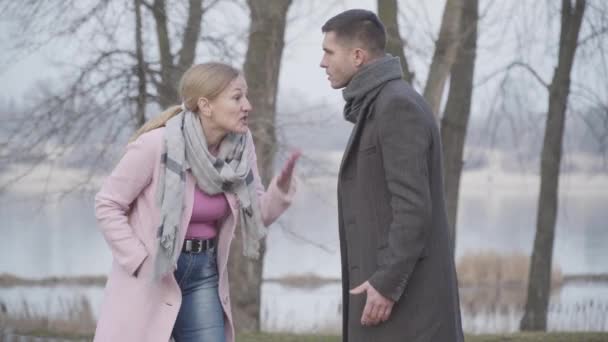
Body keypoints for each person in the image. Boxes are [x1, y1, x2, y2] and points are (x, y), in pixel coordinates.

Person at [93, 62, 299, 342]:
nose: (247, 105)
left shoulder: (240, 146)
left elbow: (257, 213)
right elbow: (107, 204)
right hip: (152, 273)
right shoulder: (157, 144)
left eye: (246, 97)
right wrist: (139, 260)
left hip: (203, 271)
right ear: (206, 105)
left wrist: (282, 188)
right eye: (237, 97)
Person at [320, 9, 463, 342]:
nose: (322, 63)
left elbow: (413, 208)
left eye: (329, 52)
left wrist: (386, 284)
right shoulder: (378, 105)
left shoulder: (397, 107)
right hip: (391, 305)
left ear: (357, 56)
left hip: (409, 309)